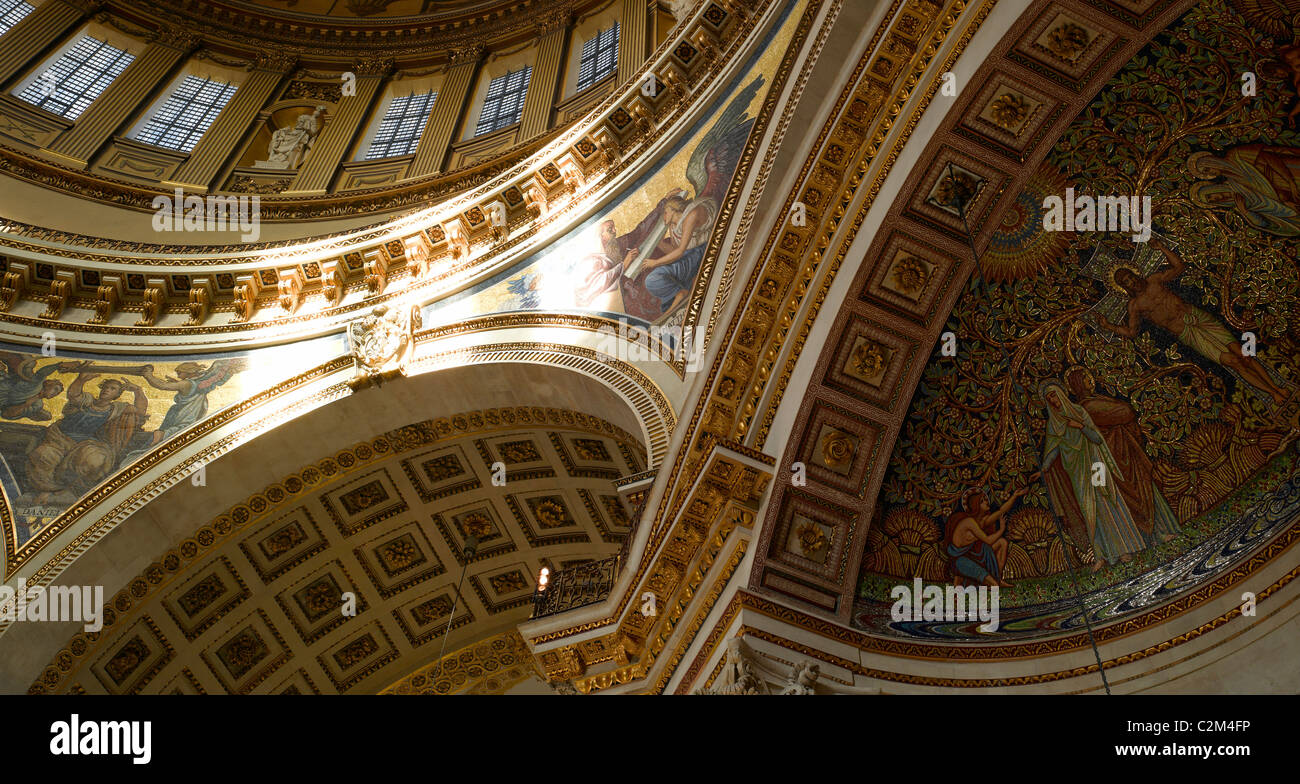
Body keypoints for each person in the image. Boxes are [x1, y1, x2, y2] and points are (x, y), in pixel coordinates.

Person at [1098, 238, 1291, 407]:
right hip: (1187, 333)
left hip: (1198, 317)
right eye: (1126, 282)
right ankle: (1272, 394)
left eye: (1130, 276)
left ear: (1135, 274)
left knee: (1243, 353)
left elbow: (1179, 267)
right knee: (1233, 362)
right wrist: (1109, 326)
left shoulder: (1154, 279)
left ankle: (1276, 387)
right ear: (1124, 288)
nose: (1131, 281)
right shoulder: (1134, 306)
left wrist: (1162, 248)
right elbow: (1132, 332)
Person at [1040, 380, 1148, 571]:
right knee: (1089, 510)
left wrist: (1080, 426)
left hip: (1095, 465)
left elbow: (1097, 438)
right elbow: (1053, 450)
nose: (1053, 401)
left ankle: (1124, 548)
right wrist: (1044, 468)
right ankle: (1101, 554)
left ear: (1061, 394)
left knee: (1106, 502)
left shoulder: (1080, 413)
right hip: (1077, 472)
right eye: (1049, 399)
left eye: (1054, 395)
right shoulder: (1053, 425)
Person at [1064, 367, 1179, 542]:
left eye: (1089, 376)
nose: (1091, 380)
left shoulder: (1093, 401)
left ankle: (1156, 532)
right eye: (1086, 378)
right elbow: (1125, 412)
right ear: (1078, 384)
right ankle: (1150, 535)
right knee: (1135, 497)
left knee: (1143, 493)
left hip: (1123, 454)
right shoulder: (1089, 406)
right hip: (1115, 458)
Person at [25, 372, 149, 501]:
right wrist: (80, 380)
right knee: (44, 455)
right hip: (60, 438)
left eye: (112, 389)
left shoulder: (116, 408)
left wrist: (138, 391)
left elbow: (140, 411)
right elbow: (74, 396)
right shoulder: (88, 400)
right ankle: (47, 489)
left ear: (117, 395)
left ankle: (69, 490)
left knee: (95, 459)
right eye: (106, 387)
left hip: (86, 442)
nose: (107, 390)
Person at [942, 487, 1026, 587]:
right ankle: (964, 578)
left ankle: (997, 578)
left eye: (985, 499)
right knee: (993, 585)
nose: (986, 502)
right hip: (961, 560)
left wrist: (1014, 496)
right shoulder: (969, 522)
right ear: (975, 505)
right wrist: (1001, 530)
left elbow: (1001, 510)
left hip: (973, 555)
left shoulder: (982, 521)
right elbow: (988, 541)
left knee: (1002, 542)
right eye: (982, 501)